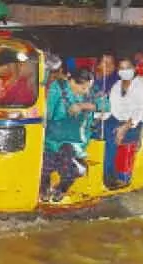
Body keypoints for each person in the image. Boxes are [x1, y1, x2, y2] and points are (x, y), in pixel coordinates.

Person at [40, 68, 97, 203]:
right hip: (52, 137)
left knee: (71, 167)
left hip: (74, 141)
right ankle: (44, 189)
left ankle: (62, 188)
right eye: (83, 88)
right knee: (45, 165)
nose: (86, 91)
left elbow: (104, 104)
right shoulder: (57, 88)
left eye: (88, 88)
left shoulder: (88, 92)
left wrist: (83, 105)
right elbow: (48, 114)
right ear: (71, 81)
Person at [104, 58, 143, 188]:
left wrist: (125, 127)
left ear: (134, 69)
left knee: (113, 135)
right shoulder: (116, 85)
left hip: (134, 122)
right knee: (96, 131)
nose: (124, 71)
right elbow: (110, 107)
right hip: (116, 119)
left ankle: (112, 175)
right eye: (121, 68)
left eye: (127, 67)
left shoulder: (140, 84)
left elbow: (140, 110)